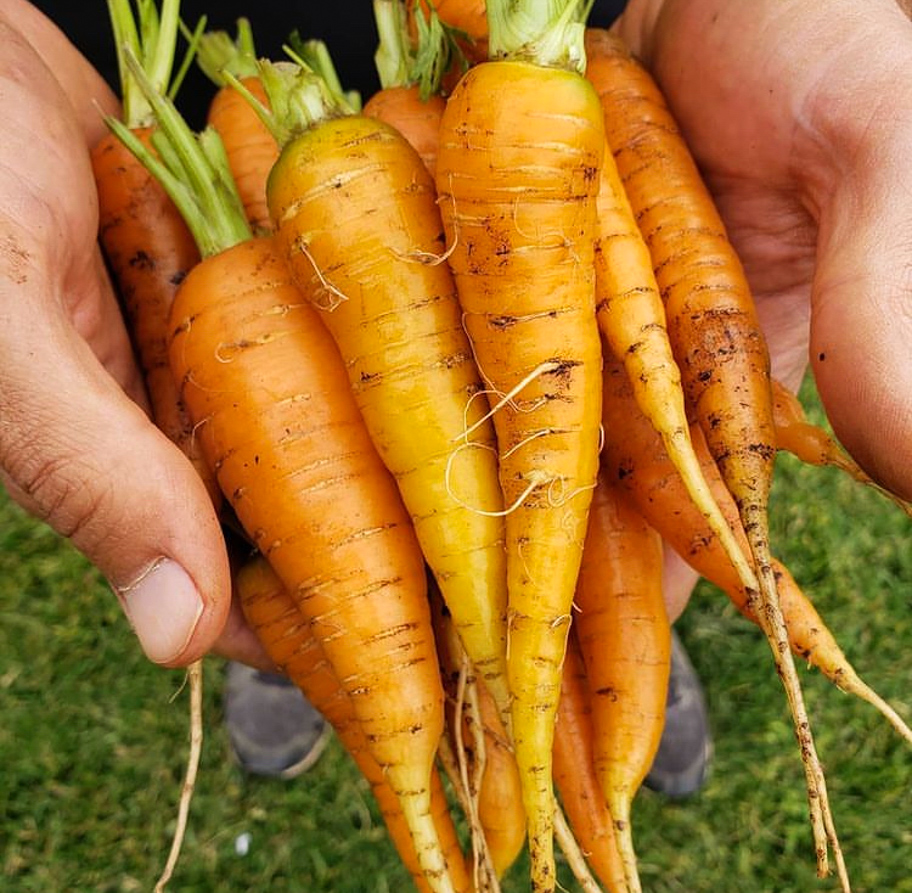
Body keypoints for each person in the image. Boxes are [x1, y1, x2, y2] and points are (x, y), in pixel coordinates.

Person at [2, 0, 910, 789]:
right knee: (295, 511)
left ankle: (597, 653)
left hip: (534, 63)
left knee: (619, 481)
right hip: (193, 122)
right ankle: (333, 639)